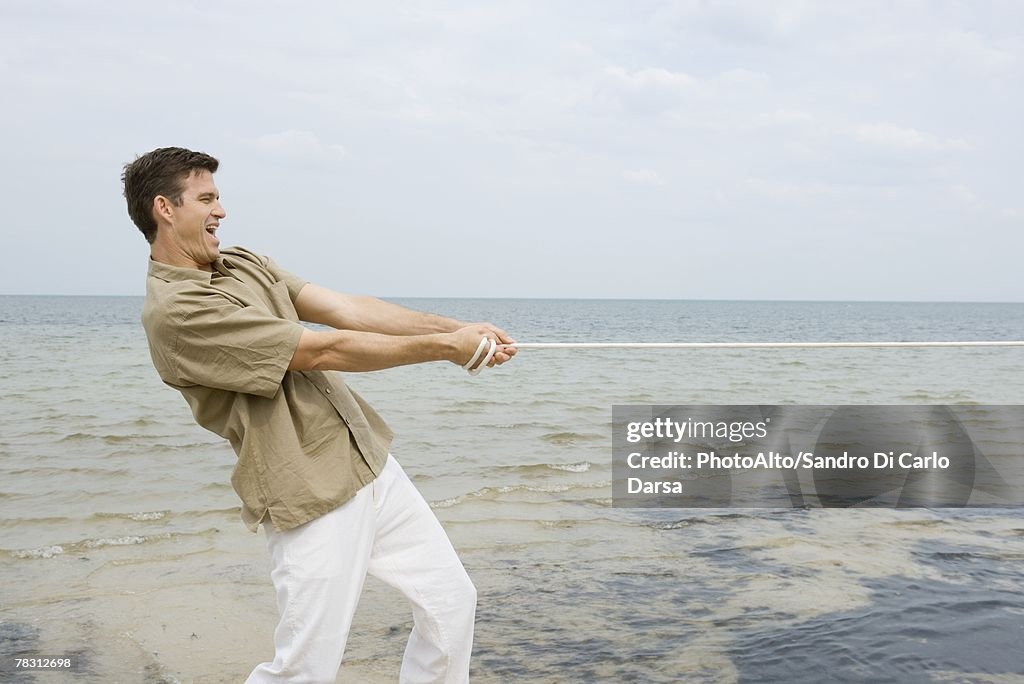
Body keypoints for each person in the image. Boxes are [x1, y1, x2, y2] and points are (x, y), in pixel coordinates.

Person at [121, 146, 516, 683]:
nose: (221, 211)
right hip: (307, 490)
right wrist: (445, 350)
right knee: (305, 668)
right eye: (207, 198)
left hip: (366, 461)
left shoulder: (242, 264)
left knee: (450, 603)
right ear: (165, 209)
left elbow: (345, 309)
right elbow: (319, 351)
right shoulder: (176, 313)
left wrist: (456, 329)